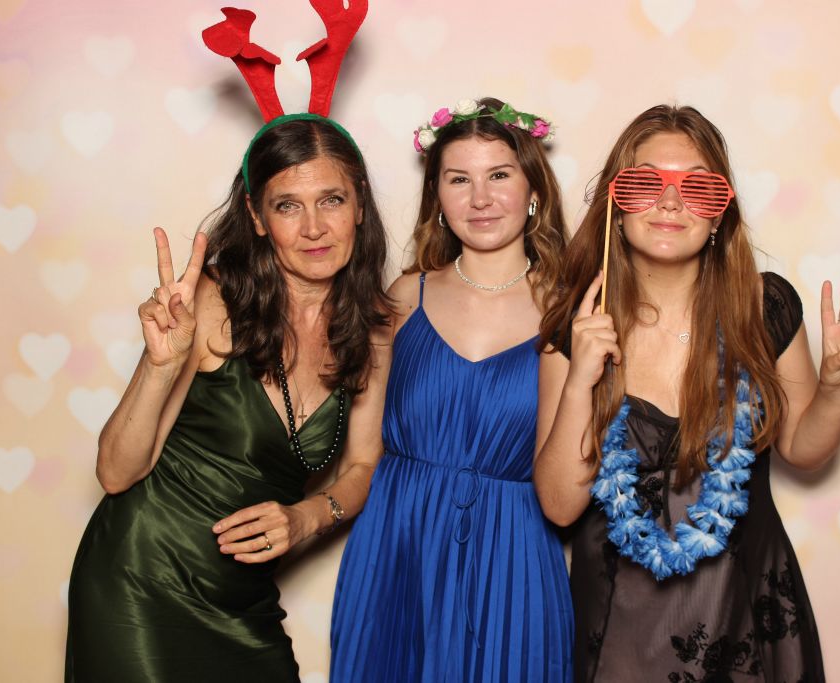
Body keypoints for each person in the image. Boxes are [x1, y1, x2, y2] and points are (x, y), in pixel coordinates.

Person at [536, 105, 840, 681]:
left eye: (698, 187)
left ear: (720, 214)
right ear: (617, 204)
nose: (671, 202)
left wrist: (835, 392)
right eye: (646, 183)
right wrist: (579, 383)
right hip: (619, 631)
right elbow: (559, 507)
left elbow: (804, 449)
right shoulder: (577, 323)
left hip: (746, 613)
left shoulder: (762, 307)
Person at [65, 116, 392, 682]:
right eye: (287, 206)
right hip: (139, 581)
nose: (314, 227)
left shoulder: (375, 327)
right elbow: (116, 473)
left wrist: (308, 516)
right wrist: (160, 366)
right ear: (257, 218)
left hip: (244, 599)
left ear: (359, 204)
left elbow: (364, 464)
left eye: (331, 200)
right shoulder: (211, 301)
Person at [330, 97, 573, 682]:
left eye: (499, 175)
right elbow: (361, 457)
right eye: (459, 179)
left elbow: (566, 481)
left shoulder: (569, 311)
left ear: (534, 190)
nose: (480, 198)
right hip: (396, 548)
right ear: (437, 196)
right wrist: (310, 515)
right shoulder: (404, 298)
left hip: (512, 555)